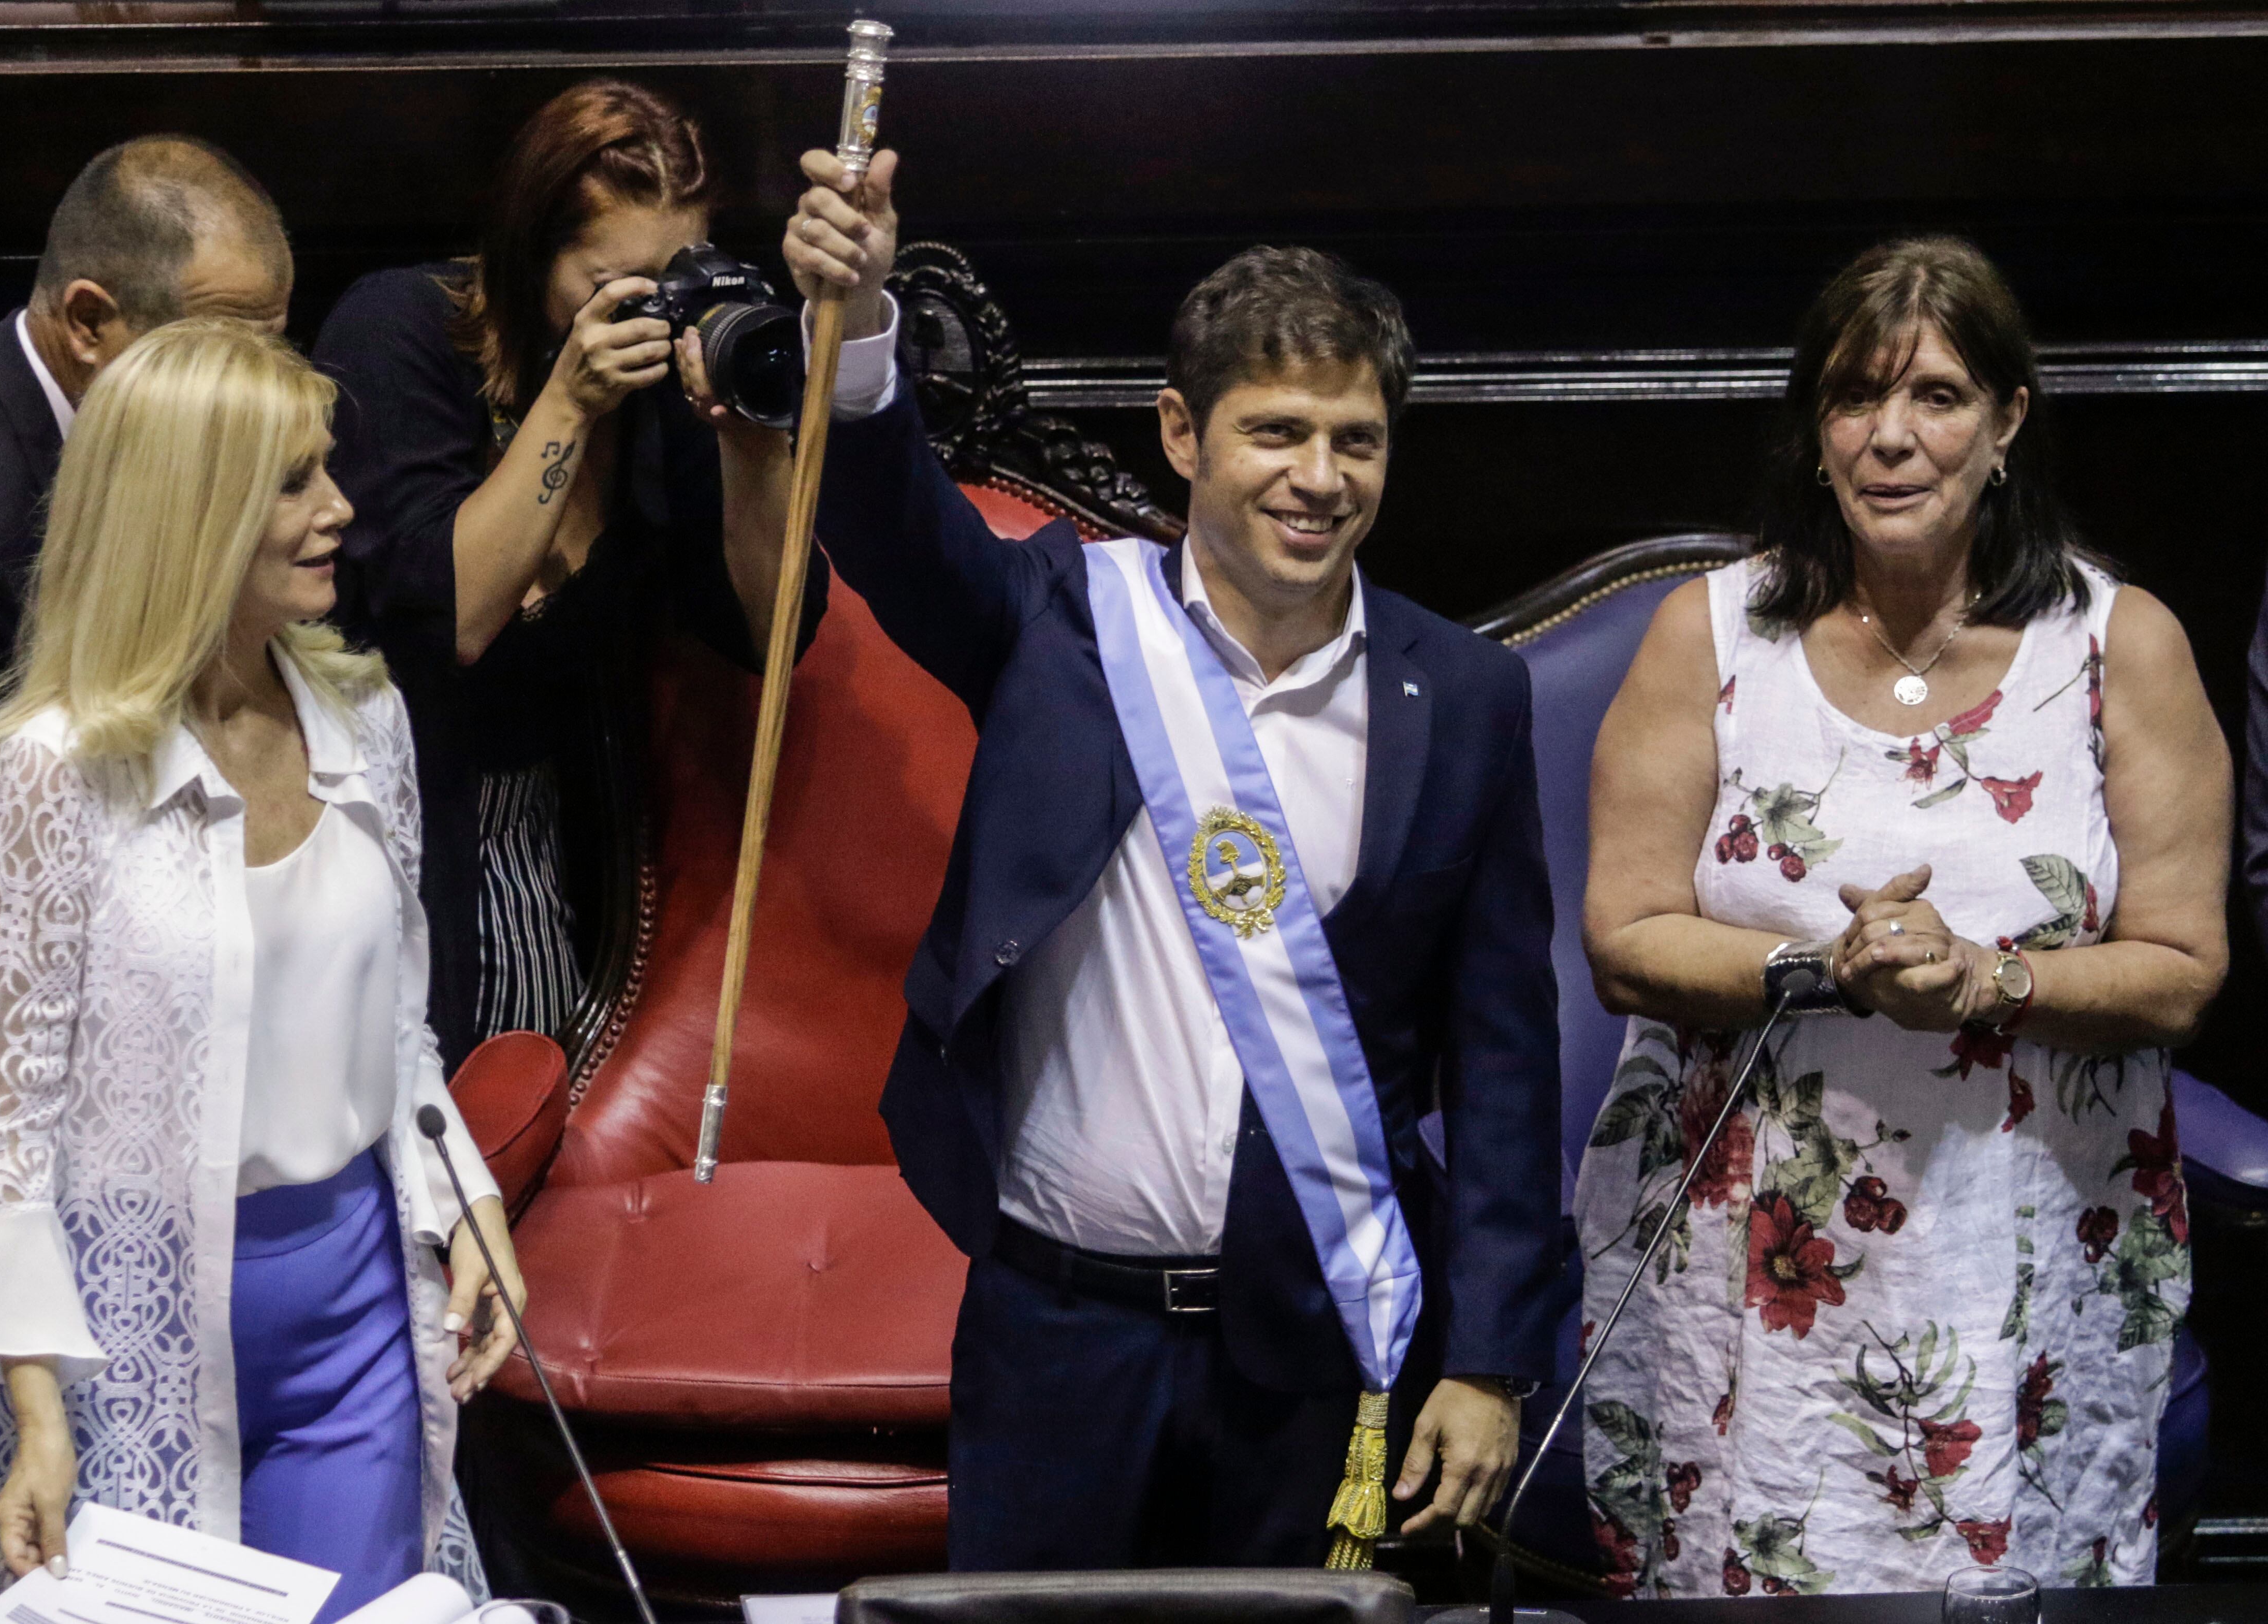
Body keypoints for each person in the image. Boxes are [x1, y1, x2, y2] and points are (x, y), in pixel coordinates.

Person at [782, 151, 1568, 1570]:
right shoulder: (1058, 623)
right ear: (1181, 433)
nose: (1320, 479)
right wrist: (862, 320)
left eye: (1357, 439)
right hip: (1057, 1335)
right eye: (1276, 432)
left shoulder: (1461, 694)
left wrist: (1492, 1358)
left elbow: (1504, 1051)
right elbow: (891, 525)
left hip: (1314, 1347)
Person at [1579, 236, 2227, 1594]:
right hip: (1750, 1261)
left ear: (2007, 421)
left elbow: (2180, 968)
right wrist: (1837, 965)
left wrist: (1988, 978)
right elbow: (1627, 938)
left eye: (1936, 395)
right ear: (1815, 433)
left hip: (2033, 1243)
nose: (1891, 435)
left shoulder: (2122, 645)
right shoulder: (1708, 636)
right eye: (1855, 396)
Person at [0, 321, 522, 1622]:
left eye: (327, 468)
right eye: (293, 481)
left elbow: (401, 1028)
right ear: (189, 511)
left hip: (356, 1310)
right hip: (126, 1338)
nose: (339, 507)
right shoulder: (55, 772)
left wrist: (469, 1203)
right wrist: (34, 1407)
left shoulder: (368, 721)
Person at [0, 134, 290, 1601]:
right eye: (229, 341)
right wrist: (80, 1170)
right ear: (93, 321)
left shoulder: (94, 442)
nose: (260, 385)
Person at [314, 80, 821, 1070]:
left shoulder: (665, 384)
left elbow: (772, 635)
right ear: (528, 250)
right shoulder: (399, 328)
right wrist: (569, 403)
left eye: (675, 276)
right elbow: (453, 622)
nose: (650, 310)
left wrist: (753, 441)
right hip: (387, 824)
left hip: (555, 837)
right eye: (614, 284)